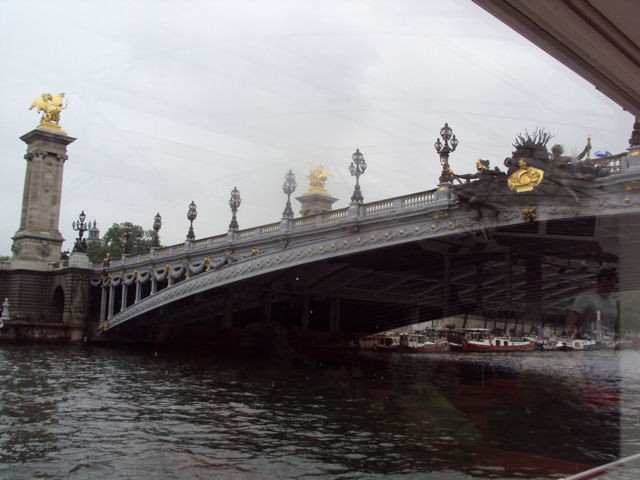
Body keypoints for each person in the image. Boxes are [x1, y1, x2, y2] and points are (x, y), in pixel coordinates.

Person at [565, 268, 618, 339]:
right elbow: (570, 323)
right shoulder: (585, 297)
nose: (609, 289)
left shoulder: (613, 302)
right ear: (598, 283)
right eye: (605, 286)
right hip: (589, 341)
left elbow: (612, 325)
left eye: (611, 286)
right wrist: (571, 340)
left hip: (609, 342)